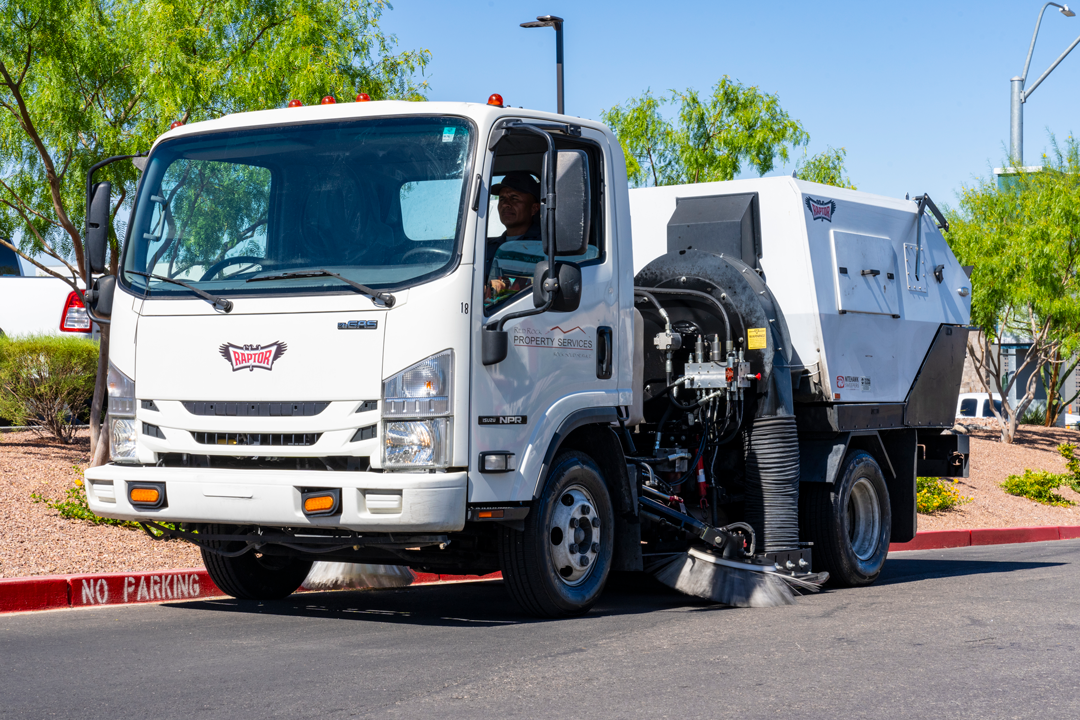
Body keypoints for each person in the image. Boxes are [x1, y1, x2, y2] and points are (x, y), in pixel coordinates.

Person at [484, 171, 542, 305]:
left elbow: (533, 283)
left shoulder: (543, 246)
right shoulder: (487, 247)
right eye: (502, 199)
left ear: (534, 208)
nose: (506, 204)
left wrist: (493, 288)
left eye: (514, 198)